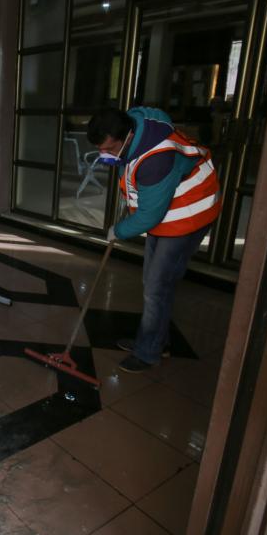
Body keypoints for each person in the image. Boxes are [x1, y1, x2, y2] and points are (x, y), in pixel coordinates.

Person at [87, 106, 221, 373]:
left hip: (188, 214)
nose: (105, 155)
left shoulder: (156, 160)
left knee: (156, 287)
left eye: (110, 149)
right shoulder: (136, 124)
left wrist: (119, 230)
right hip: (167, 209)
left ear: (127, 137)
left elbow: (149, 216)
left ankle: (148, 352)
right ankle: (155, 340)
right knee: (154, 283)